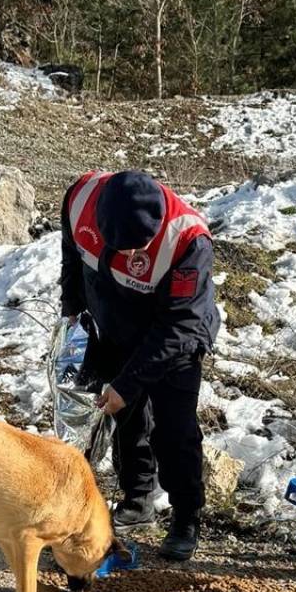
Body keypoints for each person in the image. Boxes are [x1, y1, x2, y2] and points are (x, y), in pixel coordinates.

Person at [59, 170, 220, 561]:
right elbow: (72, 257)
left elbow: (178, 325)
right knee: (125, 417)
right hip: (113, 324)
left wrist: (128, 382)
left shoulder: (188, 240)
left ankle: (185, 517)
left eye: (139, 249)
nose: (132, 257)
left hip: (174, 335)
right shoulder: (80, 199)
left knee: (174, 429)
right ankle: (137, 497)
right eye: (124, 248)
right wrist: (72, 312)